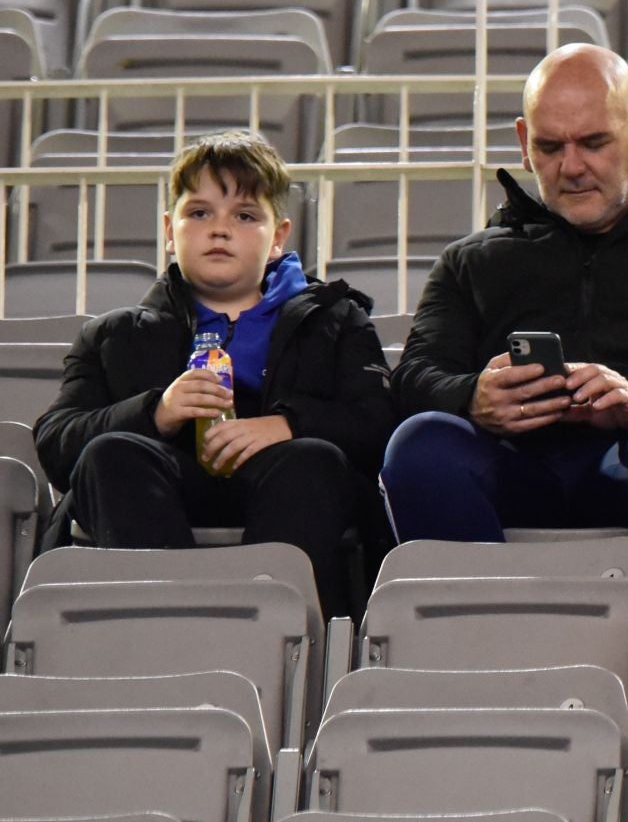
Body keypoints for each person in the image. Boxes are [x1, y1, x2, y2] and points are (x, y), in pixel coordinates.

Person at [380, 44, 628, 614]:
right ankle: (476, 646)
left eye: (594, 142)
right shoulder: (470, 262)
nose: (571, 167)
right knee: (420, 443)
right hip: (508, 469)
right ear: (524, 144)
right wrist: (471, 398)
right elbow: (413, 380)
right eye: (550, 147)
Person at [34, 130, 395, 619]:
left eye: (245, 216)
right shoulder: (112, 335)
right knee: (110, 453)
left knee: (312, 460)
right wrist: (156, 412)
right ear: (169, 229)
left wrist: (287, 425)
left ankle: (272, 627)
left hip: (288, 483)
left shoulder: (337, 321)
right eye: (199, 212)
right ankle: (169, 627)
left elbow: (378, 423)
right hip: (165, 481)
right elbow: (57, 442)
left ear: (278, 237)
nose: (219, 230)